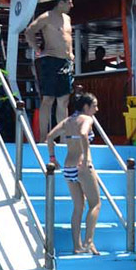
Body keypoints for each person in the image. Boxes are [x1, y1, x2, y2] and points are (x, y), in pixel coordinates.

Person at [45, 92, 102, 255]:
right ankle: (89, 242)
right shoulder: (87, 119)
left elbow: (50, 137)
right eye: (94, 106)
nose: (96, 109)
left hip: (68, 167)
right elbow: (84, 134)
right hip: (82, 166)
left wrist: (52, 158)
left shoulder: (68, 120)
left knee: (78, 207)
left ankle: (77, 246)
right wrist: (85, 159)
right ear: (86, 107)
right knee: (95, 204)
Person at [23, 0, 74, 141]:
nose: (72, 5)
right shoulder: (46, 17)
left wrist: (70, 55)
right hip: (50, 60)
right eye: (69, 2)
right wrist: (38, 49)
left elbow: (66, 39)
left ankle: (63, 138)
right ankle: (44, 137)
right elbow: (29, 31)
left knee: (64, 100)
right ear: (61, 3)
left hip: (65, 62)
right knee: (48, 99)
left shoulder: (67, 18)